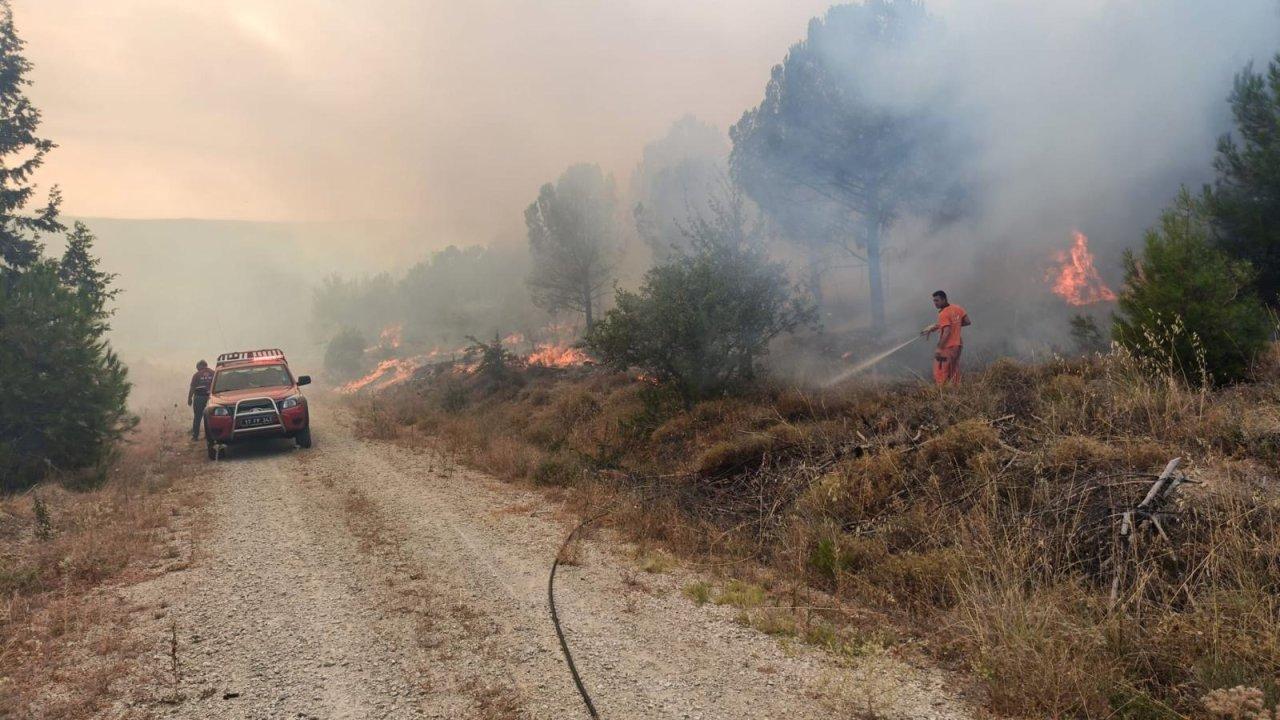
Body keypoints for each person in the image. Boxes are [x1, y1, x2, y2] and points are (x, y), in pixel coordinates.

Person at [921, 290, 970, 385]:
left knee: (940, 371)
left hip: (947, 347)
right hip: (958, 345)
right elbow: (967, 321)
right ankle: (956, 391)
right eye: (934, 301)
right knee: (953, 370)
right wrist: (951, 325)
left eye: (937, 300)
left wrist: (939, 348)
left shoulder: (943, 313)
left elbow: (946, 332)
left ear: (944, 299)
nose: (935, 303)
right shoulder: (957, 308)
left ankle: (942, 393)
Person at [188, 360, 215, 440]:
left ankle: (195, 436)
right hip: (211, 398)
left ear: (201, 366)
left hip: (199, 397)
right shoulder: (214, 373)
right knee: (210, 417)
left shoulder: (196, 375)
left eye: (197, 367)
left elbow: (192, 387)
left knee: (197, 417)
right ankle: (210, 435)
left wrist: (189, 398)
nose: (197, 369)